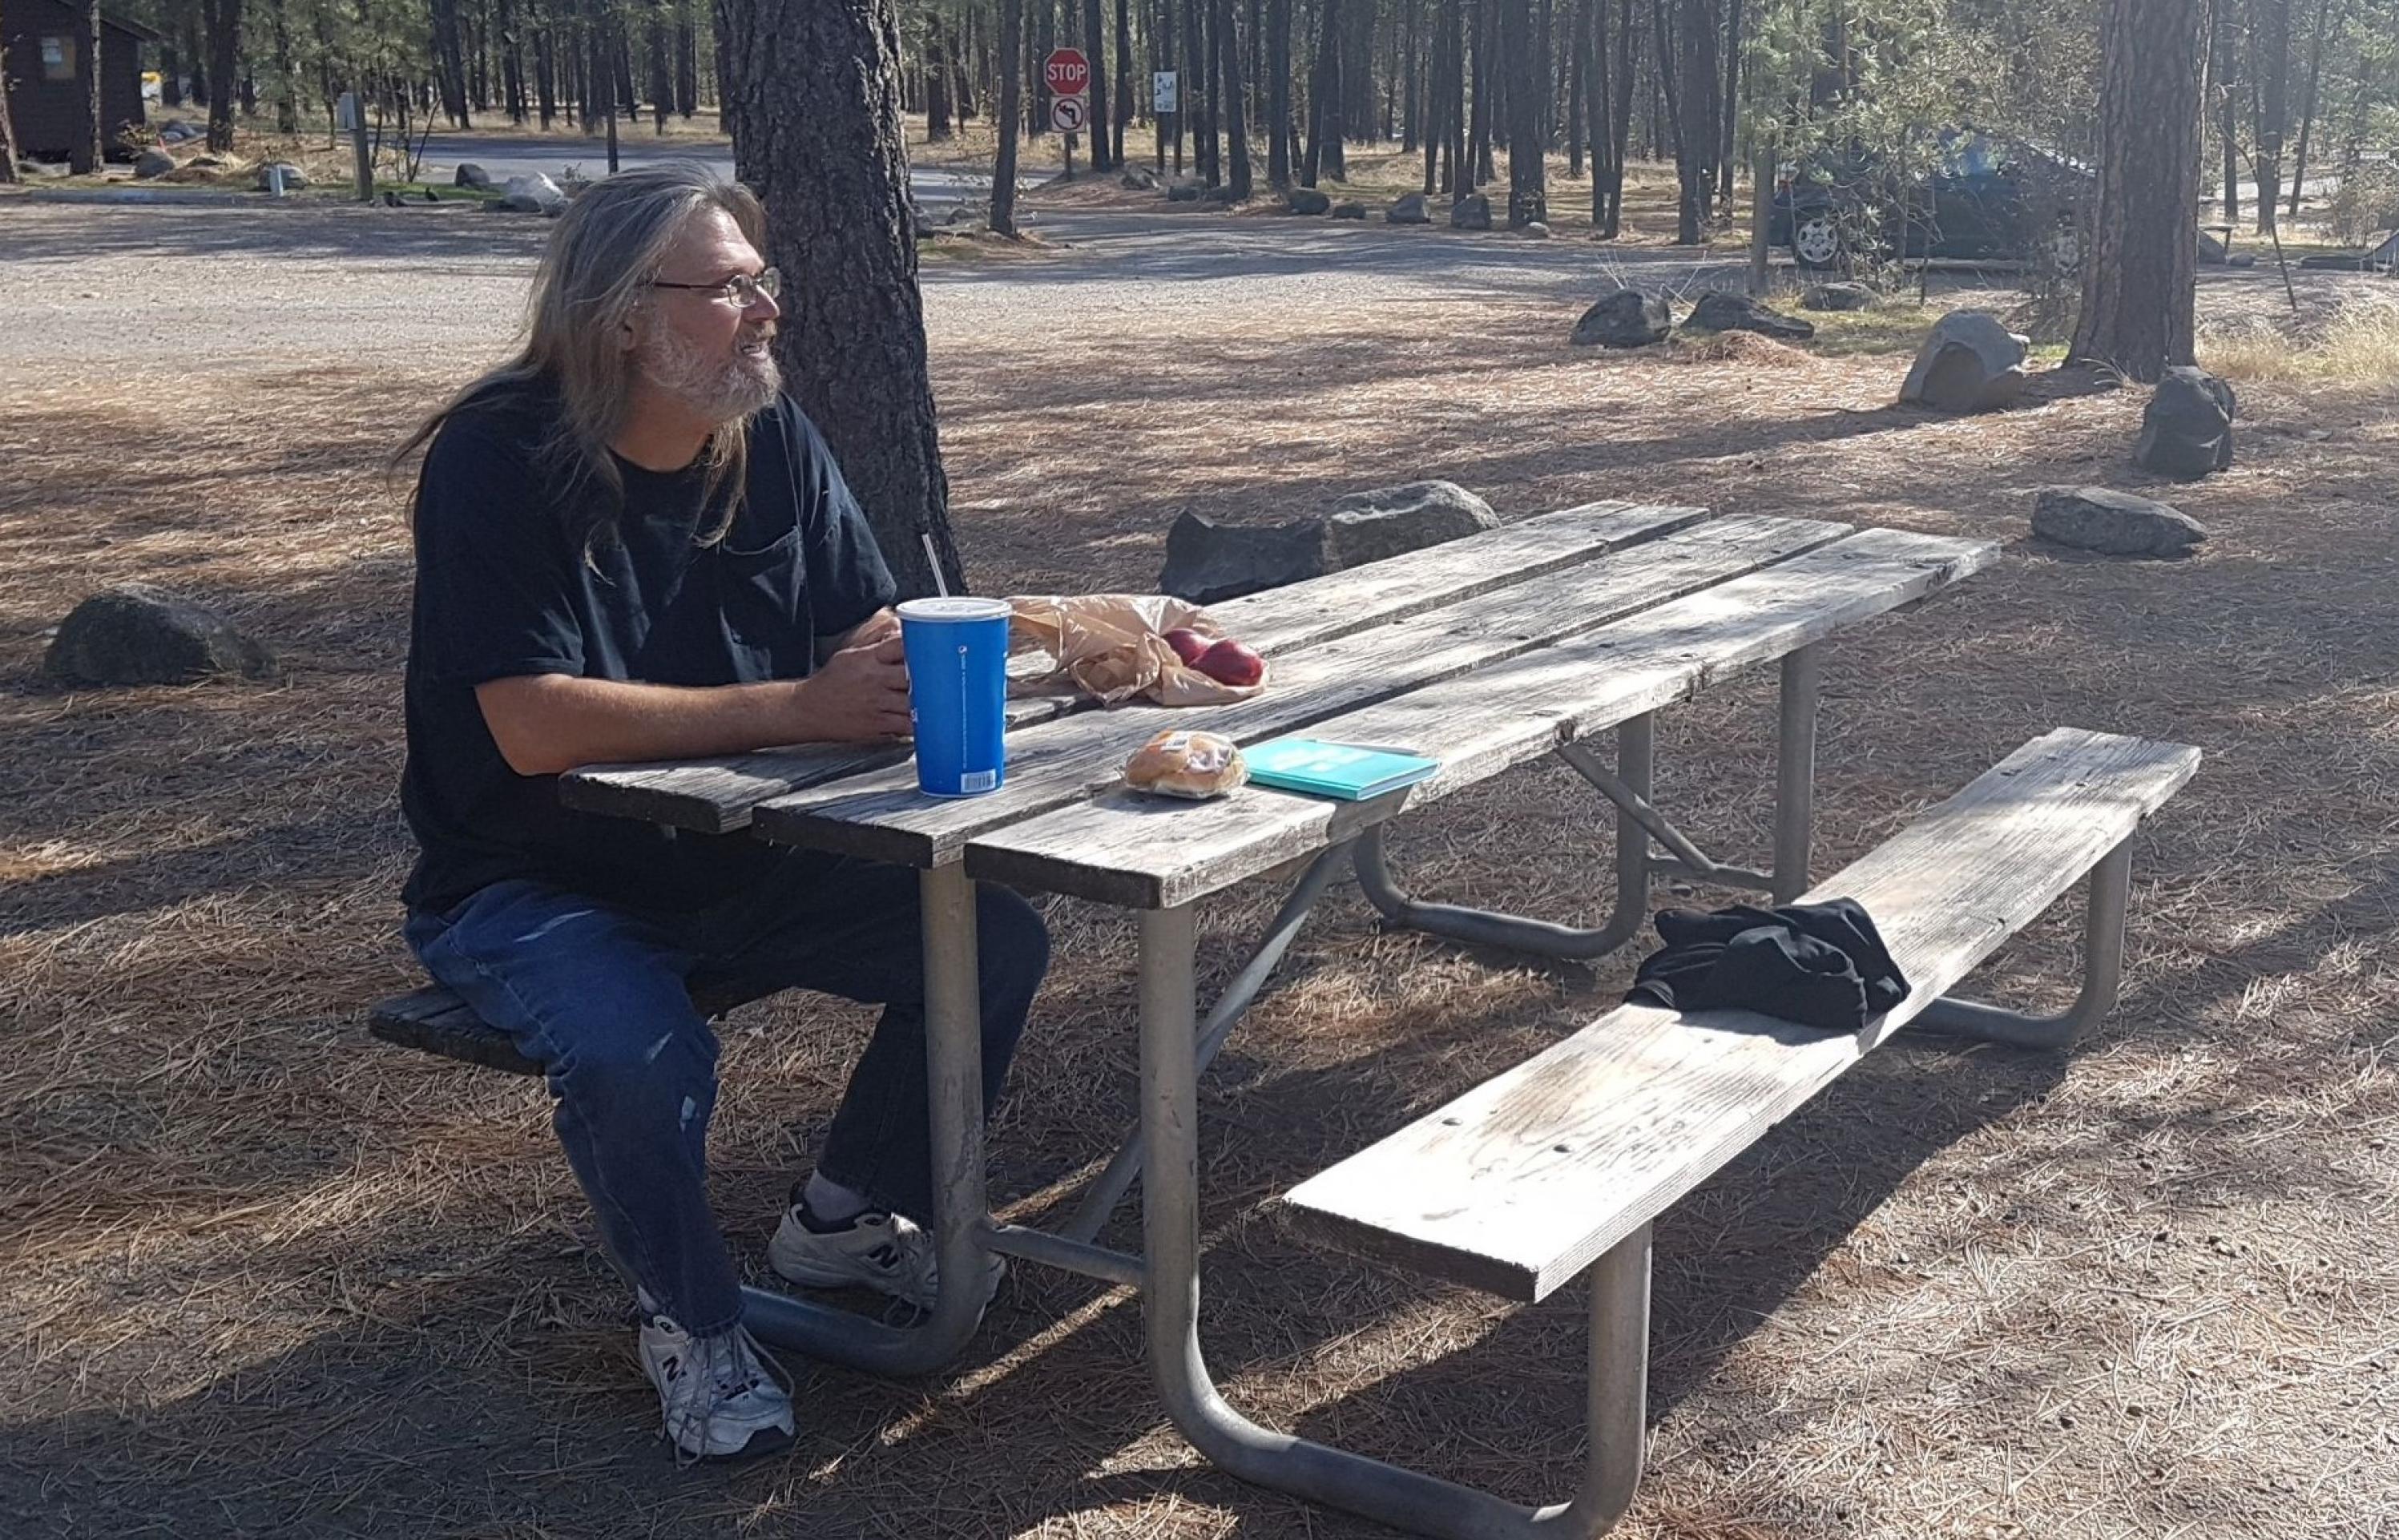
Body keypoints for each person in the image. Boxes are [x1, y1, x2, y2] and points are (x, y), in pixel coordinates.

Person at [392, 164, 1049, 1462]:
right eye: (730, 287)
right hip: (535, 883)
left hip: (749, 854)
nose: (765, 312)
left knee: (993, 940)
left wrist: (1057, 640)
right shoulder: (498, 456)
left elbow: (859, 629)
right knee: (638, 1054)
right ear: (623, 315)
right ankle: (693, 1321)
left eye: (764, 281)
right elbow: (530, 722)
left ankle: (844, 1216)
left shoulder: (767, 434)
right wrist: (799, 709)